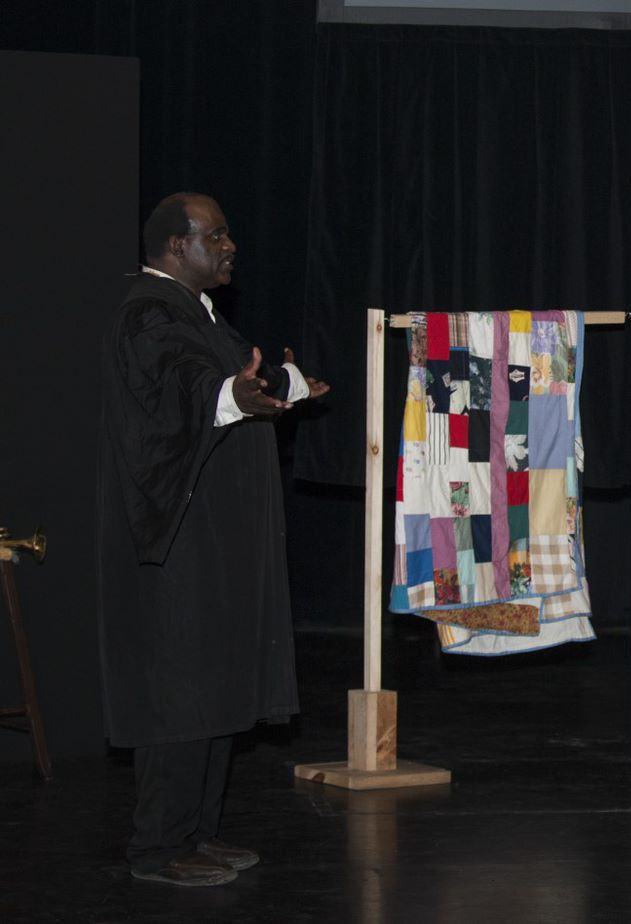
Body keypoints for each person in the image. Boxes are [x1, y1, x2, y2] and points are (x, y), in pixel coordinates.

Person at [97, 193, 329, 887]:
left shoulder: (195, 312)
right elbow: (182, 387)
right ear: (175, 246)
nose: (231, 247)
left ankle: (197, 831)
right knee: (182, 689)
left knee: (218, 684)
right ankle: (157, 847)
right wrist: (234, 395)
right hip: (178, 548)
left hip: (217, 545)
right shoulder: (147, 311)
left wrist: (283, 385)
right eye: (216, 235)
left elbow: (231, 380)